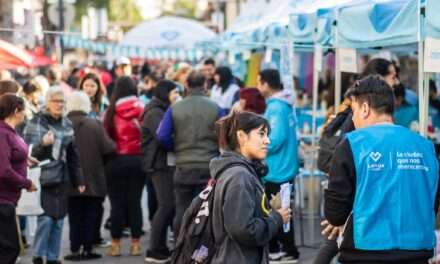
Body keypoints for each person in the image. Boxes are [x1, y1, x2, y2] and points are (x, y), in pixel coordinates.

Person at [324, 75, 439, 264]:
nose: (353, 118)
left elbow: (335, 214)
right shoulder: (427, 148)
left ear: (365, 108)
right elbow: (432, 204)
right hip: (418, 252)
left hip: (365, 253)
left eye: (353, 110)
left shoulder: (351, 144)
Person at [314, 57, 400, 264]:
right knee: (332, 241)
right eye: (392, 76)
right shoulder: (422, 146)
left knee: (332, 241)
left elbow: (335, 213)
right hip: (408, 245)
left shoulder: (357, 136)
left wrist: (340, 216)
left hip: (365, 242)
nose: (396, 81)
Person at [210, 111, 291, 263]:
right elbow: (244, 230)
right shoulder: (239, 176)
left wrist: (268, 209)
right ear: (241, 136)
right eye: (261, 134)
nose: (267, 141)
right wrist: (277, 218)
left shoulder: (240, 171)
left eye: (267, 134)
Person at [22, 86, 85, 264]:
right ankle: (38, 255)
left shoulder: (67, 123)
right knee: (46, 220)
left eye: (62, 101)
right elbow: (29, 154)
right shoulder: (36, 122)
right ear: (47, 103)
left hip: (62, 177)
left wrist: (79, 179)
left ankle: (52, 257)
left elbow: (73, 154)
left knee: (58, 221)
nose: (59, 104)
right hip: (43, 178)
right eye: (55, 101)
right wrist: (43, 143)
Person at [157, 71, 223, 236]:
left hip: (183, 166)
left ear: (186, 86)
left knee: (182, 209)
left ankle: (181, 245)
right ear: (205, 86)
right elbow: (224, 137)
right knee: (206, 210)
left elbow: (162, 135)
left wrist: (176, 147)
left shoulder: (175, 108)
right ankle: (203, 248)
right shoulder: (216, 108)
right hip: (209, 166)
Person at [64, 91, 116, 261]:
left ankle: (74, 249)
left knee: (74, 215)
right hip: (93, 178)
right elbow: (109, 149)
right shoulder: (95, 125)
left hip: (70, 179)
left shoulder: (64, 124)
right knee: (90, 214)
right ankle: (87, 248)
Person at [257, 69, 300, 263]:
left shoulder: (276, 107)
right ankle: (284, 250)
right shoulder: (284, 105)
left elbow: (276, 139)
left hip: (277, 170)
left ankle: (283, 250)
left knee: (274, 210)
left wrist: (259, 145)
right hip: (284, 167)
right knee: (281, 210)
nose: (258, 87)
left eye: (259, 82)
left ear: (265, 84)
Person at [103, 76, 145, 257]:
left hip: (116, 160)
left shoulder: (111, 112)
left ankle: (115, 244)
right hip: (138, 160)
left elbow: (105, 138)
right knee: (135, 202)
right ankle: (136, 244)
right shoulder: (143, 109)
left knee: (116, 204)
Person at [141, 80, 180, 263]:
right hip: (159, 164)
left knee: (165, 205)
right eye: (174, 92)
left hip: (162, 163)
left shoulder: (160, 109)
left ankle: (160, 247)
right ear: (166, 93)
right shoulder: (155, 112)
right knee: (166, 205)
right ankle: (154, 249)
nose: (177, 96)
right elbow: (163, 137)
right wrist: (180, 145)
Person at [0, 94, 37, 264]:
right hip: (2, 199)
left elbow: (11, 155)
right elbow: (4, 170)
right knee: (10, 249)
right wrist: (27, 183)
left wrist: (25, 160)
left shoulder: (8, 132)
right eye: (24, 111)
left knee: (9, 248)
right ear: (16, 111)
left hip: (8, 199)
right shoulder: (3, 133)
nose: (25, 114)